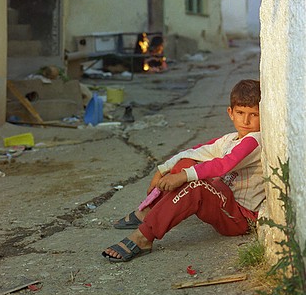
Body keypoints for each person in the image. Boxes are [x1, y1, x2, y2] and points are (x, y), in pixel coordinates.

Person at [102, 79, 264, 262]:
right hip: (224, 201)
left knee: (195, 185)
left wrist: (183, 176)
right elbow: (197, 151)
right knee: (185, 163)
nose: (246, 120)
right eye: (240, 112)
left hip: (240, 217)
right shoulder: (231, 139)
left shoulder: (255, 140)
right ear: (231, 113)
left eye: (254, 114)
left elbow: (225, 164)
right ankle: (149, 210)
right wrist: (164, 169)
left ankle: (143, 236)